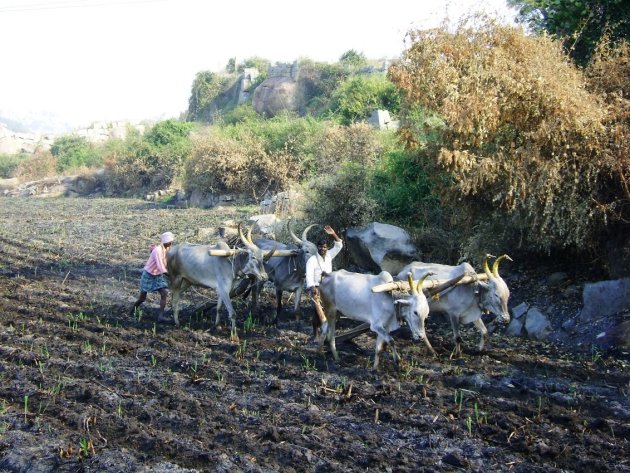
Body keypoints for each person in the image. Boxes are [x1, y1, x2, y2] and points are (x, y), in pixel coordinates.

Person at [305, 225, 342, 338]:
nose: (323, 249)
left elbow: (339, 244)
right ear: (317, 247)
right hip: (316, 288)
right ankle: (316, 334)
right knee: (317, 312)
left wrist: (333, 234)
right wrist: (313, 288)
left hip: (329, 287)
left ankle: (328, 332)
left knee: (330, 310)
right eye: (321, 247)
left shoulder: (329, 255)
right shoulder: (312, 260)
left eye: (325, 247)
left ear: (327, 247)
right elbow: (309, 275)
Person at [131, 231, 175, 323]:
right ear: (165, 242)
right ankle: (131, 310)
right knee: (142, 298)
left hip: (157, 275)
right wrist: (172, 276)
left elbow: (167, 263)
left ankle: (161, 316)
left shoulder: (167, 250)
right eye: (170, 242)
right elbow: (161, 267)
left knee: (164, 293)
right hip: (148, 275)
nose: (171, 244)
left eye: (171, 242)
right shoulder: (157, 251)